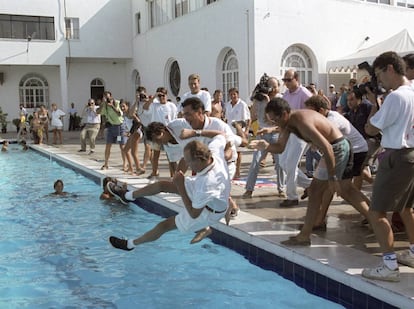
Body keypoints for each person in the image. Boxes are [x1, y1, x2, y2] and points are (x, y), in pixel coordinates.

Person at [249, 97, 352, 246]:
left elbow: (327, 147)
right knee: (325, 192)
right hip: (333, 149)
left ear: (284, 114)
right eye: (271, 121)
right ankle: (305, 234)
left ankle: (305, 235)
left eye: (275, 120)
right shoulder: (288, 124)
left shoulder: (301, 120)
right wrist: (264, 145)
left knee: (318, 192)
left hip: (337, 148)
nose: (274, 124)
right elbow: (280, 147)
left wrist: (332, 177)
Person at [107, 135, 231, 250]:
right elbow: (222, 136)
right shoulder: (214, 151)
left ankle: (130, 244)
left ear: (198, 160)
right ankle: (127, 196)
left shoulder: (207, 184)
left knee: (164, 226)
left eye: (188, 161)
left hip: (208, 214)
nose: (187, 165)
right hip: (210, 197)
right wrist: (229, 150)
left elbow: (194, 214)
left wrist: (180, 185)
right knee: (162, 185)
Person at [361, 51, 414, 282]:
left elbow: (371, 129)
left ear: (390, 68)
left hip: (397, 156)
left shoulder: (396, 97)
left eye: (379, 74)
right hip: (412, 155)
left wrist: (375, 106)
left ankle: (389, 265)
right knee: (406, 208)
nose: (379, 80)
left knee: (377, 212)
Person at [304, 95, 370, 230]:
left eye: (312, 112)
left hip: (355, 152)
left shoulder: (332, 120)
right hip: (348, 151)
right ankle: (374, 215)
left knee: (344, 189)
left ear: (321, 110)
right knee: (336, 188)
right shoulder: (326, 117)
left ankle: (375, 217)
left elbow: (321, 141)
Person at [243, 76, 286, 199]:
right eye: (270, 86)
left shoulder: (279, 99)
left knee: (279, 163)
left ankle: (281, 189)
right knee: (255, 162)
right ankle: (249, 189)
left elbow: (271, 120)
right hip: (262, 133)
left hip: (276, 133)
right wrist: (255, 99)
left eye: (275, 86)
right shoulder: (260, 98)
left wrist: (268, 102)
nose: (272, 89)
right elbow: (253, 115)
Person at [279, 69, 312, 207]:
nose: (286, 83)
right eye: (284, 80)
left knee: (291, 165)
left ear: (296, 78)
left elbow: (313, 110)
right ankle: (311, 185)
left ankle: (292, 196)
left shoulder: (304, 93)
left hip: (301, 133)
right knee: (283, 163)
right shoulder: (286, 94)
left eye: (288, 80)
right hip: (289, 132)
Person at [144, 87, 177, 178]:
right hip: (156, 133)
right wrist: (154, 96)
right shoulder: (154, 105)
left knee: (171, 156)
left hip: (167, 133)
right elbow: (145, 107)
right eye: (160, 96)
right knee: (156, 155)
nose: (162, 97)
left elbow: (174, 118)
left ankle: (173, 175)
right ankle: (154, 172)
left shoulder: (171, 105)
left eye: (163, 95)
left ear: (166, 95)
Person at [224, 87, 251, 178]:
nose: (233, 96)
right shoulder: (228, 105)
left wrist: (247, 130)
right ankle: (232, 169)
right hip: (229, 130)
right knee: (231, 149)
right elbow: (226, 118)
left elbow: (248, 119)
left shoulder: (242, 104)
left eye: (234, 94)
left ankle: (238, 171)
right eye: (231, 95)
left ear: (237, 94)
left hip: (239, 130)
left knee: (239, 152)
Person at [97, 91, 124, 170]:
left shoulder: (117, 103)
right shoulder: (105, 106)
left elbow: (119, 114)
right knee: (108, 145)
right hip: (111, 128)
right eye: (105, 97)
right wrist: (102, 104)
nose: (107, 99)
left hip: (119, 128)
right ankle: (106, 164)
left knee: (122, 146)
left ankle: (125, 163)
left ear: (111, 96)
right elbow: (97, 112)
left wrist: (112, 106)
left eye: (108, 97)